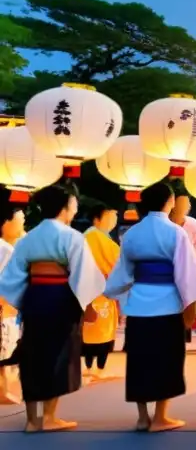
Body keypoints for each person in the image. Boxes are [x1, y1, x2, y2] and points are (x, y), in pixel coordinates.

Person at [105, 181, 196, 432]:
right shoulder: (176, 232)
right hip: (168, 304)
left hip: (139, 304)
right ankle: (161, 416)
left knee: (140, 361)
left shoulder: (132, 233)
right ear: (169, 202)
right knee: (167, 360)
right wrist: (192, 306)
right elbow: (188, 273)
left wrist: (115, 293)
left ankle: (143, 417)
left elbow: (123, 272)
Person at [0, 184, 105, 432]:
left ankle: (31, 420)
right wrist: (85, 306)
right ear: (65, 208)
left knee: (33, 355)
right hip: (61, 298)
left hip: (35, 297)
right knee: (58, 355)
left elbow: (12, 276)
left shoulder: (29, 238)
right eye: (73, 205)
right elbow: (83, 277)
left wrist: (23, 300)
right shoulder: (71, 237)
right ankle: (48, 416)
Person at [82, 204, 121, 383]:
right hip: (98, 291)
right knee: (97, 332)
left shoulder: (90, 238)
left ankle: (93, 368)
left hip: (96, 292)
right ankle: (94, 368)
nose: (113, 221)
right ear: (97, 218)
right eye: (110, 216)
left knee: (96, 331)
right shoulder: (91, 238)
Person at [169, 191, 196, 344]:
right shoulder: (164, 223)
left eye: (188, 202)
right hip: (166, 275)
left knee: (187, 314)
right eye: (184, 202)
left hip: (187, 275)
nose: (188, 206)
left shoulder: (194, 225)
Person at [0, 203, 26, 405]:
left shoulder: (10, 247)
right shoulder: (6, 249)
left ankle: (4, 390)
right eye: (19, 221)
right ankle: (2, 391)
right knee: (3, 350)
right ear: (5, 223)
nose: (22, 224)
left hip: (8, 307)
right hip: (4, 307)